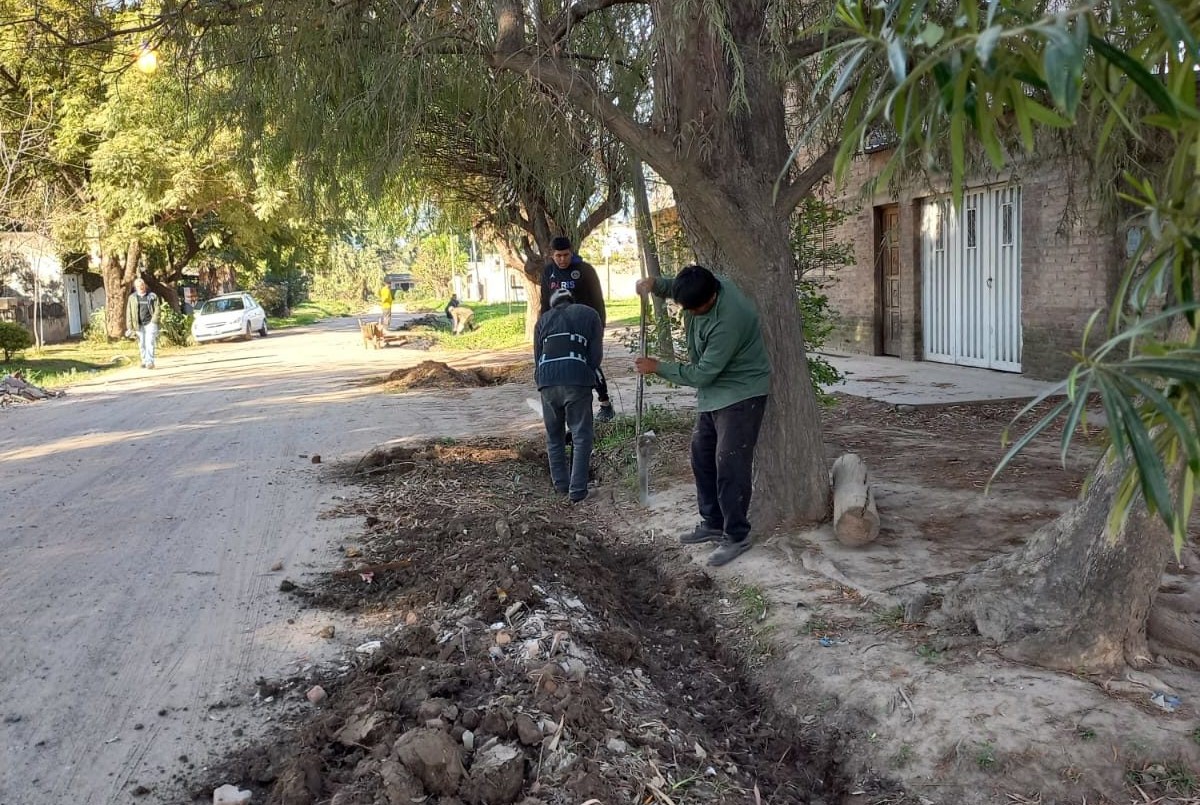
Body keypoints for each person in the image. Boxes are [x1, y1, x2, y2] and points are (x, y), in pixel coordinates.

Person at [634, 265, 770, 567]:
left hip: (741, 392)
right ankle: (713, 522)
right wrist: (656, 284)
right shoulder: (704, 284)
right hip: (714, 394)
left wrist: (658, 367)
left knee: (729, 463)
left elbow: (702, 374)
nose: (691, 313)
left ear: (711, 298)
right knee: (702, 455)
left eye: (695, 309)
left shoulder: (729, 321)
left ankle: (736, 535)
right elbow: (678, 287)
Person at [534, 287, 603, 503]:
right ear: (572, 300)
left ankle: (561, 486)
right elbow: (595, 356)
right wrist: (585, 374)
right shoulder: (590, 314)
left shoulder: (542, 320)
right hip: (576, 379)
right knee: (581, 435)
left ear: (553, 304)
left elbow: (537, 357)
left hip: (546, 380)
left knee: (554, 436)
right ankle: (578, 491)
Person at [539, 236, 615, 423]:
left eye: (566, 255)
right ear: (552, 255)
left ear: (571, 252)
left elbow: (597, 300)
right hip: (557, 328)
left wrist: (600, 326)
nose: (562, 259)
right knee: (562, 363)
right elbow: (544, 302)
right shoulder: (548, 272)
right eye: (558, 256)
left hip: (584, 325)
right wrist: (543, 327)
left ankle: (605, 403)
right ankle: (565, 407)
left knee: (590, 362)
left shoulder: (585, 270)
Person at [125, 277, 162, 369]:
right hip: (138, 324)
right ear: (135, 287)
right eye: (138, 286)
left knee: (150, 342)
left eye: (142, 285)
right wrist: (130, 326)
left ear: (144, 285)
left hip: (150, 323)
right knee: (142, 343)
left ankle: (150, 362)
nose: (140, 287)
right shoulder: (132, 298)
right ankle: (144, 360)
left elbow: (157, 308)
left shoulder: (152, 296)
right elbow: (129, 312)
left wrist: (154, 321)